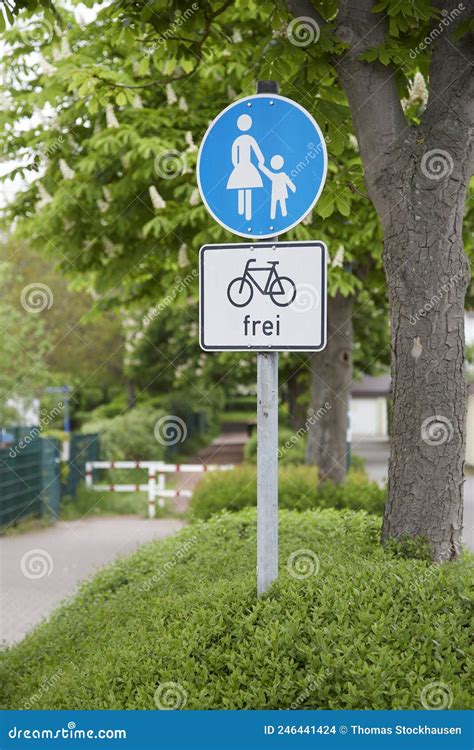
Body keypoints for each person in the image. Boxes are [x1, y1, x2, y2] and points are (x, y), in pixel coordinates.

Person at [226, 114, 265, 221]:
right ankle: (245, 213)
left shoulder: (238, 140)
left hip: (240, 166)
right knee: (247, 187)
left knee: (241, 186)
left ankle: (242, 211)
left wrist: (236, 166)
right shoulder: (249, 139)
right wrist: (261, 161)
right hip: (247, 166)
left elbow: (234, 155)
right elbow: (257, 152)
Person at [258, 154, 296, 219]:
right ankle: (280, 215)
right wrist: (293, 188)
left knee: (276, 203)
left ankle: (275, 216)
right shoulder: (280, 175)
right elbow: (288, 182)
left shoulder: (275, 176)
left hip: (277, 192)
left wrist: (261, 166)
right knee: (279, 203)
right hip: (279, 192)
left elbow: (267, 172)